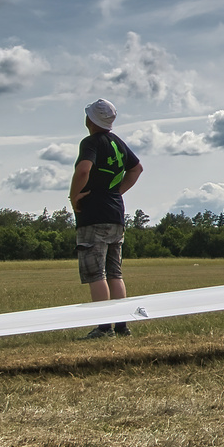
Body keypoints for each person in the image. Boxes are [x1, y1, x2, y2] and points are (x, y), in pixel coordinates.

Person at [69, 99, 142, 338]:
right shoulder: (117, 143)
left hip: (93, 216)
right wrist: (116, 191)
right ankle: (121, 326)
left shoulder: (90, 142)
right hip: (115, 214)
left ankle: (103, 327)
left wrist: (74, 195)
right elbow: (136, 169)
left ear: (90, 120)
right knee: (115, 272)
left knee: (95, 273)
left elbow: (83, 170)